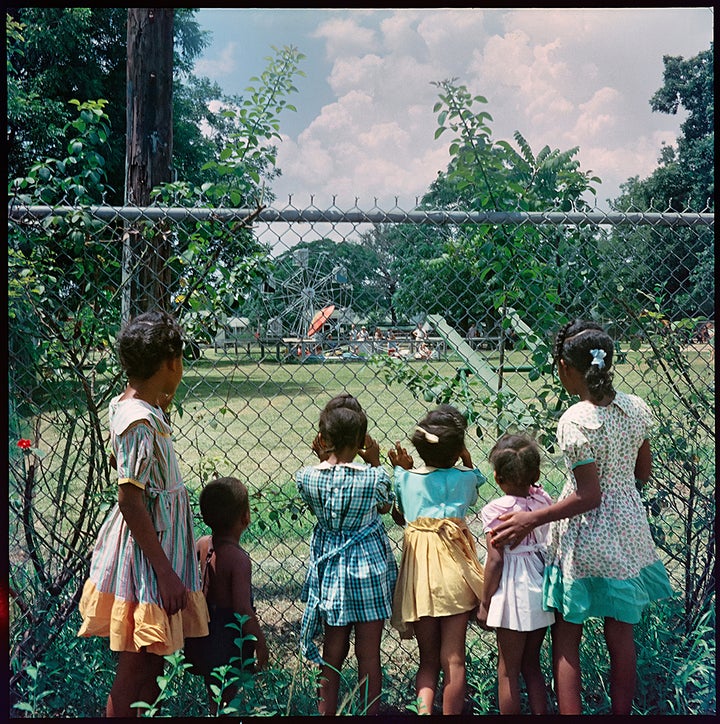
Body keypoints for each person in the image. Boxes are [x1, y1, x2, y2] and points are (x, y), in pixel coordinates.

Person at [490, 320, 673, 715]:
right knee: (621, 635)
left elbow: (588, 496)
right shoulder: (635, 408)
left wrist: (531, 521)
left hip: (585, 539)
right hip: (628, 533)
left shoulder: (575, 419)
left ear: (565, 368)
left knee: (567, 636)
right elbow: (642, 473)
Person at [77, 310, 209, 717]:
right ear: (172, 362)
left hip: (156, 554)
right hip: (149, 563)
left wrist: (161, 399)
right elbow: (131, 500)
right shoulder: (139, 422)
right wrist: (166, 572)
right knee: (137, 666)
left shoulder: (140, 407)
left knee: (153, 662)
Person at [296, 393, 398, 715]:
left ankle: (327, 713)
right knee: (369, 655)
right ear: (362, 441)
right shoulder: (374, 477)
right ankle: (370, 713)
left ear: (322, 439)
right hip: (369, 570)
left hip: (333, 574)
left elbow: (319, 495)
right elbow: (384, 505)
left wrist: (322, 456)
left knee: (332, 651)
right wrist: (375, 462)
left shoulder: (307, 477)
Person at [389, 404, 485, 715]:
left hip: (420, 583)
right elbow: (475, 483)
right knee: (454, 659)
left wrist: (401, 468)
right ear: (458, 450)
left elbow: (400, 511)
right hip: (455, 578)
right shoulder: (464, 479)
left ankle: (424, 712)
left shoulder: (404, 480)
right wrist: (466, 461)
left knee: (427, 660)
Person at [478, 433, 555, 715]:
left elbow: (496, 560)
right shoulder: (543, 501)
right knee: (532, 665)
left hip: (513, 590)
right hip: (539, 582)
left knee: (508, 671)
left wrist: (485, 602)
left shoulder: (496, 510)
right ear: (535, 473)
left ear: (498, 478)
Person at [185, 477, 269, 714]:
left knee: (213, 689)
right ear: (245, 517)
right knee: (229, 695)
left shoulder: (201, 544)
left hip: (202, 630)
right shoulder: (238, 559)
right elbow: (242, 608)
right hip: (228, 636)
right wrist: (260, 642)